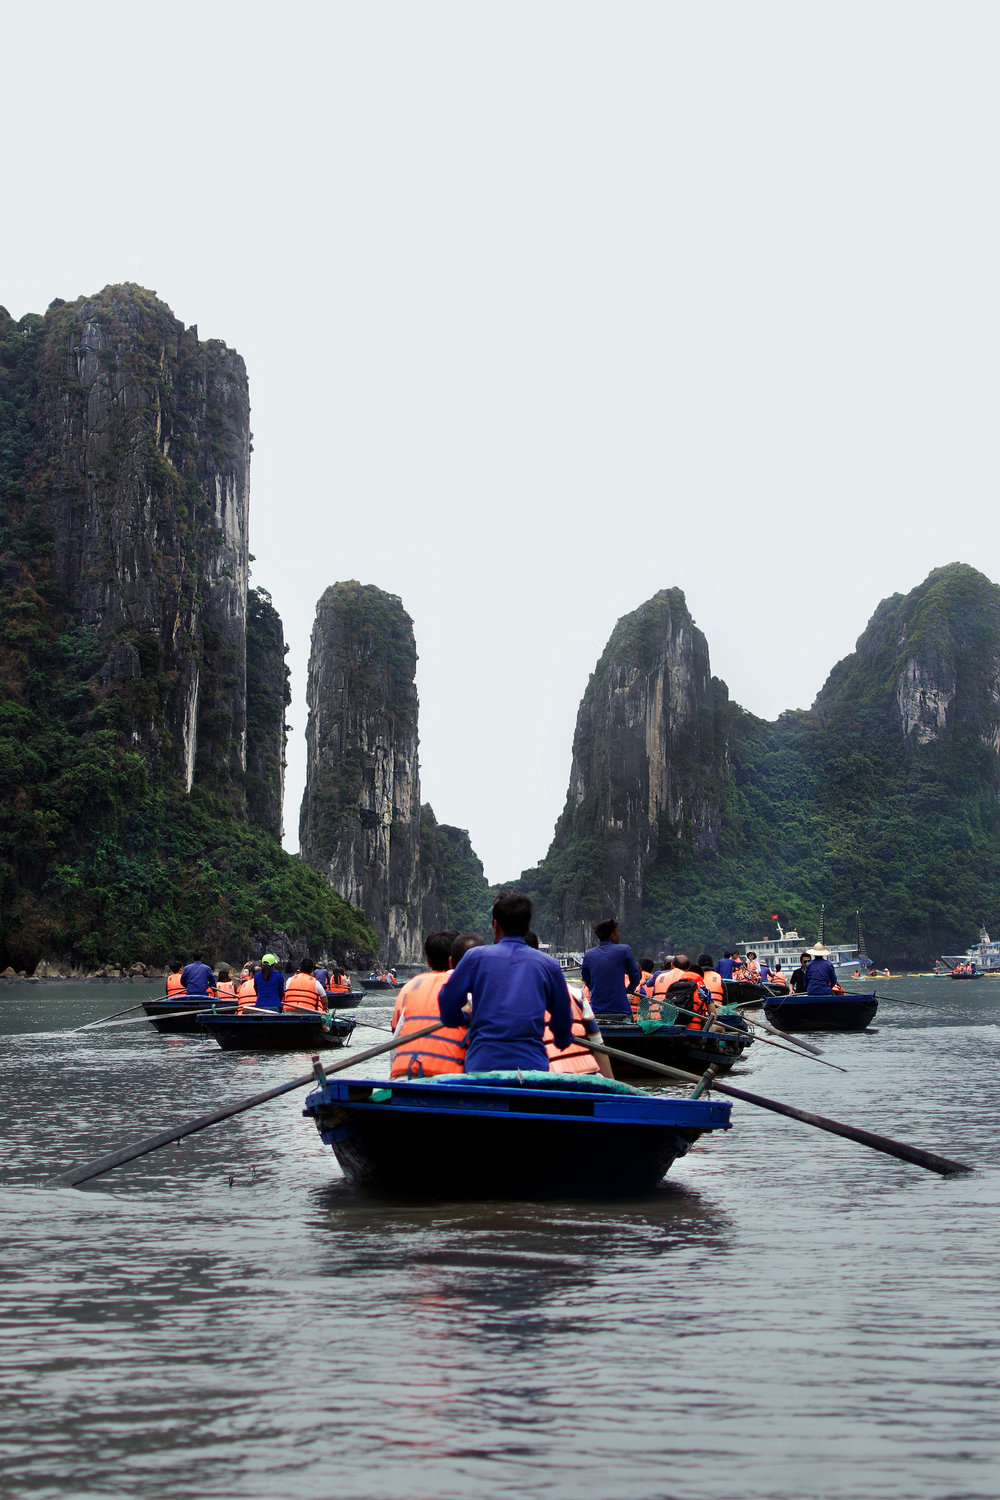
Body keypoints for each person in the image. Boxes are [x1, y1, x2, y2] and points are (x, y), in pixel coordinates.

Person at [438, 891, 571, 1071]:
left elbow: (447, 1003)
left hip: (483, 1064)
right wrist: (561, 1040)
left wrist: (461, 1019)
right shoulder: (549, 965)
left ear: (495, 925)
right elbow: (563, 1016)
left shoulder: (475, 958)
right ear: (527, 926)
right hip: (531, 1065)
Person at [390, 929, 466, 1078]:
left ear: (427, 960)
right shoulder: (465, 985)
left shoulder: (410, 986)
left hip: (404, 1076)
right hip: (450, 1080)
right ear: (458, 959)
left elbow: (395, 1029)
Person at [581, 917, 640, 1017]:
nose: (619, 935)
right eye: (617, 932)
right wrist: (629, 989)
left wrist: (597, 989)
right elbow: (635, 975)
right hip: (621, 1008)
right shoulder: (624, 950)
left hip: (597, 1009)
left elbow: (587, 980)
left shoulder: (588, 955)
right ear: (612, 936)